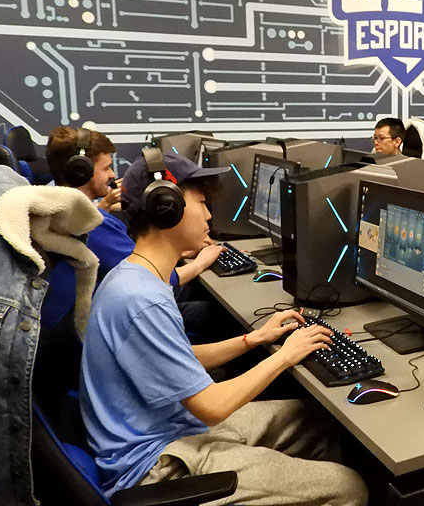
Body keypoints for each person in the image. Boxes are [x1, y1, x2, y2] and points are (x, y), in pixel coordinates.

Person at [79, 150, 367, 504]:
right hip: (157, 465)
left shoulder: (134, 277)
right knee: (348, 487)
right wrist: (284, 356)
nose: (210, 215)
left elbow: (177, 359)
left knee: (317, 420)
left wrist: (253, 339)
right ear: (167, 208)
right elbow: (212, 407)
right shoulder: (142, 298)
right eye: (201, 202)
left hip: (171, 426)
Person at [43, 127, 226, 330]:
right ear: (80, 170)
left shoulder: (52, 202)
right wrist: (201, 262)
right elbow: (148, 274)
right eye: (105, 168)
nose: (112, 175)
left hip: (94, 317)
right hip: (110, 320)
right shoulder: (87, 222)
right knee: (219, 313)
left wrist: (179, 249)